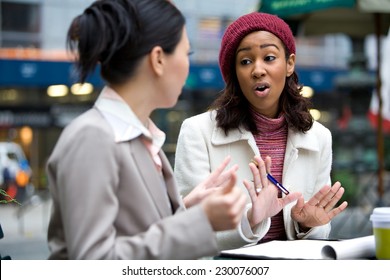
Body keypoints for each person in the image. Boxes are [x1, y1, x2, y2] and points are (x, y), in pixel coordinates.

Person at [46, 0, 247, 260]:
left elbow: (138, 230)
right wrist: (201, 222)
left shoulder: (140, 137)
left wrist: (188, 209)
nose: (188, 65)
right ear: (158, 59)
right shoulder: (93, 137)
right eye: (186, 54)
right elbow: (94, 262)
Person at [174, 12, 348, 250]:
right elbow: (187, 229)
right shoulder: (197, 132)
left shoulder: (318, 137)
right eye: (245, 61)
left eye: (269, 57)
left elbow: (318, 229)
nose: (257, 70)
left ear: (289, 64)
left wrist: (308, 226)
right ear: (235, 73)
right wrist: (250, 220)